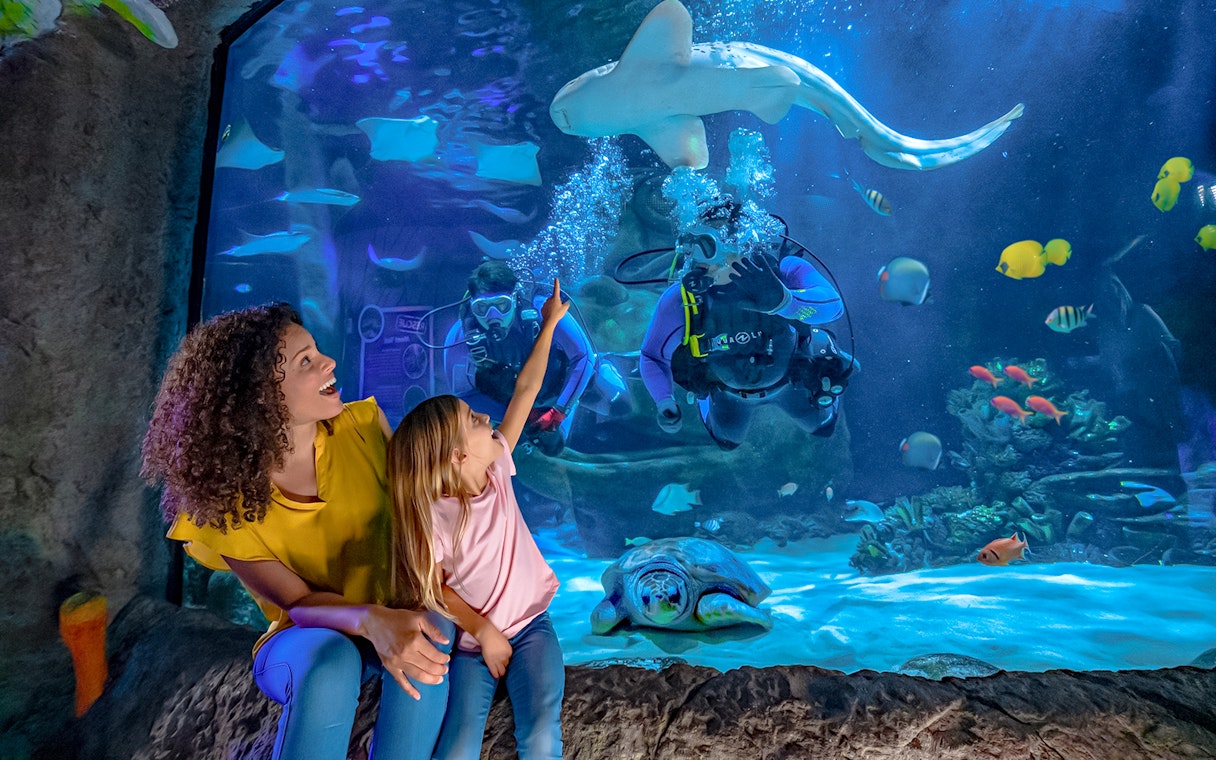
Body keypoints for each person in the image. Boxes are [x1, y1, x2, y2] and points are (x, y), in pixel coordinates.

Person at [141, 303, 454, 760]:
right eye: (305, 361)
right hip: (308, 637)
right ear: (257, 395)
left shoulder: (367, 427)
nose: (327, 362)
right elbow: (300, 603)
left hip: (392, 616)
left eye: (317, 351)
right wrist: (371, 621)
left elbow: (429, 526)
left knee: (434, 628)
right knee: (332, 663)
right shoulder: (226, 504)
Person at [389, 279, 568, 760]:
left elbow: (526, 391)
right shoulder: (433, 513)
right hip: (470, 644)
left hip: (532, 626)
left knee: (541, 735)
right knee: (459, 747)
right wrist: (484, 632)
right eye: (474, 420)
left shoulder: (497, 467)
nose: (488, 420)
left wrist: (549, 324)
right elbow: (434, 585)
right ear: (454, 456)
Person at [639, 199, 855, 449]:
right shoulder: (682, 299)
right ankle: (707, 401)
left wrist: (787, 302)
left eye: (707, 245)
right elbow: (652, 355)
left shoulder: (783, 270)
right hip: (728, 392)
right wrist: (663, 400)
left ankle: (819, 346)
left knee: (823, 428)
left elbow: (834, 307)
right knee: (727, 441)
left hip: (791, 379)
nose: (696, 260)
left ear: (738, 243)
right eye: (691, 246)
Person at [442, 260, 627, 454]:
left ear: (515, 298)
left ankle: (608, 365)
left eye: (502, 305)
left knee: (623, 407)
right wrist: (523, 418)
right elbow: (463, 396)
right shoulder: (460, 337)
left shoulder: (543, 308)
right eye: (482, 308)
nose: (492, 316)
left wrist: (559, 411)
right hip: (519, 399)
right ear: (472, 306)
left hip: (564, 381)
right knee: (553, 449)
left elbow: (583, 357)